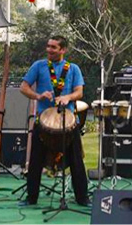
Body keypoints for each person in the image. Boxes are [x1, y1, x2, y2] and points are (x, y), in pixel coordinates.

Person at [19, 35, 89, 207]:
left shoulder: (73, 69)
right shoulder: (38, 66)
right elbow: (23, 87)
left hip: (68, 122)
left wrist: (67, 97)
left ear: (63, 50)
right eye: (48, 46)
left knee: (76, 161)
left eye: (53, 47)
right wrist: (38, 95)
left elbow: (79, 92)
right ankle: (31, 198)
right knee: (35, 161)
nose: (49, 50)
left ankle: (82, 198)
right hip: (43, 121)